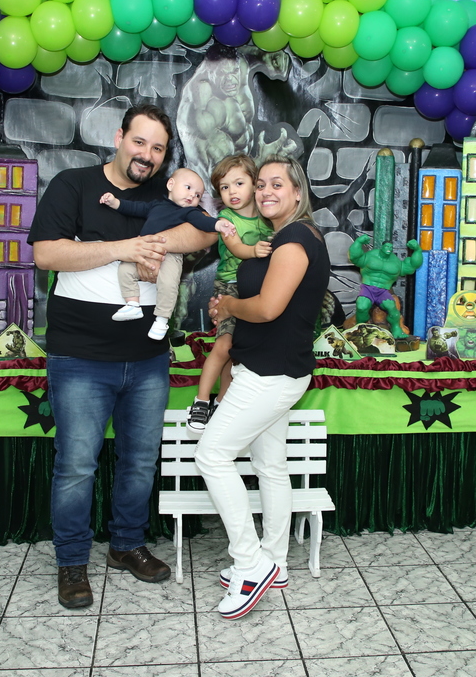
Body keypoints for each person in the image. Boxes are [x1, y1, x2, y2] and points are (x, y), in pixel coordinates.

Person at [28, 105, 218, 609]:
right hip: (80, 356)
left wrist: (152, 242)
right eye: (140, 142)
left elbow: (203, 234)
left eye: (158, 148)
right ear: (119, 137)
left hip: (149, 356)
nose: (147, 155)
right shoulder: (73, 184)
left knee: (139, 460)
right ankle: (72, 561)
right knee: (76, 465)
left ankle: (127, 545)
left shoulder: (166, 195)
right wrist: (126, 248)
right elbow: (47, 254)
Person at [195, 155, 330, 619]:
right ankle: (276, 560)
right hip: (271, 369)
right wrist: (231, 308)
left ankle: (251, 565)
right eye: (261, 184)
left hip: (271, 374)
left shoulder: (295, 240)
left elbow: (269, 307)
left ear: (298, 192)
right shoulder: (283, 238)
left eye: (278, 184)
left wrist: (229, 305)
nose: (266, 191)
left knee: (212, 455)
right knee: (271, 465)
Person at [100, 167, 237, 340]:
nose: (192, 195)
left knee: (169, 283)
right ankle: (132, 304)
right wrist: (114, 202)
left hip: (171, 255)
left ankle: (162, 319)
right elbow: (134, 208)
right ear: (171, 184)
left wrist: (219, 225)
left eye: (198, 195)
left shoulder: (190, 212)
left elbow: (204, 222)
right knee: (125, 269)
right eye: (188, 188)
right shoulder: (156, 205)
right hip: (143, 252)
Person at [187, 154, 272, 434]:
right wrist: (254, 251)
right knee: (224, 345)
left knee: (237, 353)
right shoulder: (226, 218)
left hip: (257, 290)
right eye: (224, 187)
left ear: (255, 184)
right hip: (230, 286)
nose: (232, 191)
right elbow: (235, 247)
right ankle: (201, 401)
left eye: (238, 183)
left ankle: (222, 403)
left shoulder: (267, 218)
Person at [348, 236, 423, 338]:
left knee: (392, 308)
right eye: (387, 246)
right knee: (362, 306)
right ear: (382, 247)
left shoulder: (396, 262)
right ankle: (359, 328)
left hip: (383, 290)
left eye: (391, 247)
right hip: (368, 287)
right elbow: (354, 256)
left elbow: (412, 265)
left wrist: (417, 250)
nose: (389, 248)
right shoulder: (371, 256)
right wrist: (358, 242)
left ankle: (396, 330)